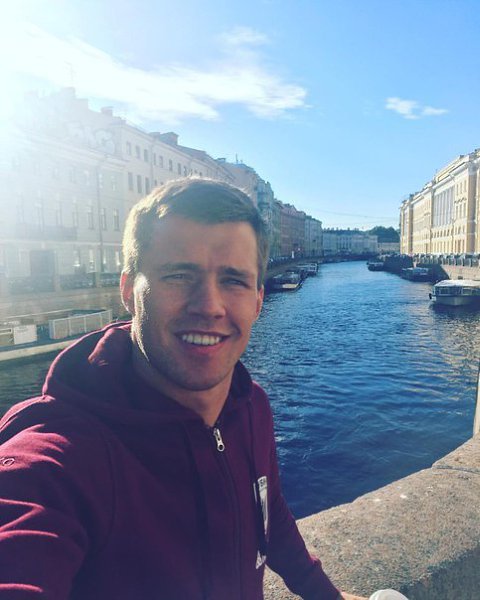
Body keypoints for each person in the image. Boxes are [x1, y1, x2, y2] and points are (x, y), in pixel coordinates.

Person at [0, 179, 367, 600]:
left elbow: (269, 515)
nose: (209, 305)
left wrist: (325, 594)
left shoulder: (251, 406)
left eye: (234, 280)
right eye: (178, 275)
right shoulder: (58, 462)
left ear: (258, 300)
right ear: (128, 291)